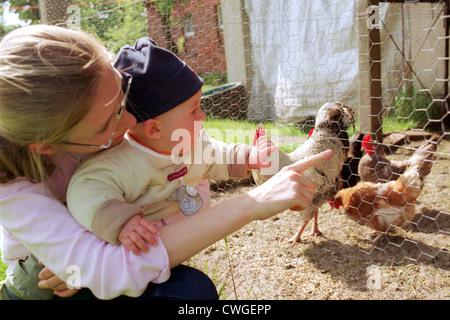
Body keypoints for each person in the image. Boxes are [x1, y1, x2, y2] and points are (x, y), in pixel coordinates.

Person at [0, 24, 332, 300]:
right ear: (46, 146)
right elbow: (92, 206)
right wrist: (82, 260)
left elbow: (213, 153)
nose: (131, 122)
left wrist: (248, 157)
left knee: (191, 291)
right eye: (109, 121)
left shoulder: (116, 126)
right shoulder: (19, 194)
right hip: (43, 277)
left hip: (97, 247)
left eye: (122, 97)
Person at [66, 37, 278, 255]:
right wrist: (121, 223)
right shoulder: (121, 161)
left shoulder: (191, 143)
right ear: (154, 129)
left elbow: (216, 154)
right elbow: (85, 190)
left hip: (179, 241)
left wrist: (251, 157)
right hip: (139, 250)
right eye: (193, 110)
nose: (203, 115)